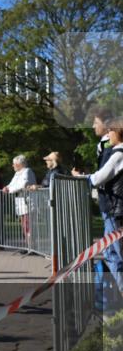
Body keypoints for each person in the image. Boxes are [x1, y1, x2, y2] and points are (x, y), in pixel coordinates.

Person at [73, 115, 123, 293]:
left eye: (110, 131)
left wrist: (80, 178)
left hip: (116, 211)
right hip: (114, 209)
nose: (108, 134)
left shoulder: (119, 154)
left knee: (116, 253)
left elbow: (98, 178)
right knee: (112, 252)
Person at [3, 155, 36, 248]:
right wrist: (7, 187)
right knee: (24, 224)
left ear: (19, 164)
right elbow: (12, 183)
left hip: (27, 201)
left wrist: (10, 190)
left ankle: (31, 246)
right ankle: (28, 245)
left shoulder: (27, 171)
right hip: (20, 201)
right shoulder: (17, 173)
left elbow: (22, 185)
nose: (12, 166)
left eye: (14, 164)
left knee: (28, 225)